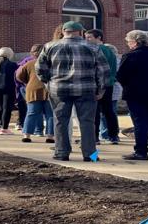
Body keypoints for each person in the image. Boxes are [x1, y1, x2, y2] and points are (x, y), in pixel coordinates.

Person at [37, 21, 106, 161]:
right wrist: (101, 89)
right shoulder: (94, 47)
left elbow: (40, 68)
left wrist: (48, 82)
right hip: (86, 89)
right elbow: (103, 70)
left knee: (60, 121)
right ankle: (90, 155)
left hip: (59, 89)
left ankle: (61, 153)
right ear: (81, 33)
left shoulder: (49, 46)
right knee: (87, 122)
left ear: (63, 31)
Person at [114, 30, 148, 161]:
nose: (127, 44)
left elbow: (120, 75)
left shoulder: (130, 56)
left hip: (136, 94)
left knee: (140, 123)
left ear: (135, 42)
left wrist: (128, 84)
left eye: (128, 41)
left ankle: (141, 152)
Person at [85, 29, 121, 143]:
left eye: (89, 37)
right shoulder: (110, 51)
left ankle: (94, 137)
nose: (86, 40)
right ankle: (113, 136)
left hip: (97, 84)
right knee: (109, 111)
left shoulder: (97, 50)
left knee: (94, 111)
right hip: (109, 83)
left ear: (99, 37)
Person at [15, 43, 51, 142]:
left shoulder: (28, 63)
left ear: (33, 53)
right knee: (50, 114)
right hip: (49, 90)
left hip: (32, 90)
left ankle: (26, 135)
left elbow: (18, 76)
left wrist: (28, 81)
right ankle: (50, 136)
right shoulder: (51, 63)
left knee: (31, 113)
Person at [0, 47, 18, 132]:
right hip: (8, 87)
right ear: (9, 54)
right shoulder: (12, 65)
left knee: (0, 108)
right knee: (7, 108)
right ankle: (4, 128)